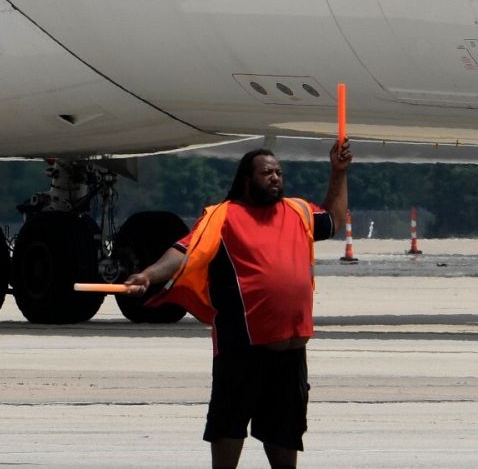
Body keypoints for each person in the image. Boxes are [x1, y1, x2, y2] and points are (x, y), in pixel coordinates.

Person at [125, 139, 351, 469]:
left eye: (278, 172)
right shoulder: (223, 217)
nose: (275, 178)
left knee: (285, 431)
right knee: (228, 425)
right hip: (242, 348)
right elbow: (183, 251)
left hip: (291, 352)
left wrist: (338, 171)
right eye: (266, 173)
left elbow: (333, 219)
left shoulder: (299, 211)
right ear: (247, 180)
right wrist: (149, 274)